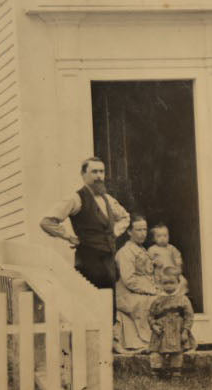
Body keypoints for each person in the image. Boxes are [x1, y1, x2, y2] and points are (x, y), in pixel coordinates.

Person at [38, 156, 130, 290]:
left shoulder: (108, 199)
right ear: (83, 174)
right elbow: (46, 222)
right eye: (94, 172)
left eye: (101, 172)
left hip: (109, 261)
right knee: (92, 302)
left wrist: (114, 232)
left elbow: (125, 217)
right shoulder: (75, 199)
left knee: (109, 302)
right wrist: (69, 237)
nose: (99, 176)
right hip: (88, 262)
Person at [144, 222, 195, 374]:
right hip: (160, 277)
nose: (162, 238)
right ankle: (158, 369)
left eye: (165, 235)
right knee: (159, 290)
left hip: (173, 275)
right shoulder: (152, 250)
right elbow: (147, 266)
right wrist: (153, 263)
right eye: (159, 236)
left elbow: (179, 261)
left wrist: (177, 268)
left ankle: (177, 299)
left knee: (182, 283)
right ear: (154, 238)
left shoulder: (172, 249)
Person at [113, 216, 162, 354]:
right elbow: (129, 280)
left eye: (145, 229)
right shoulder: (125, 252)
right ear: (129, 232)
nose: (143, 233)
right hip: (128, 293)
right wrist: (151, 290)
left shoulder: (143, 250)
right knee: (154, 302)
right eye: (138, 230)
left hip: (142, 290)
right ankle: (148, 341)